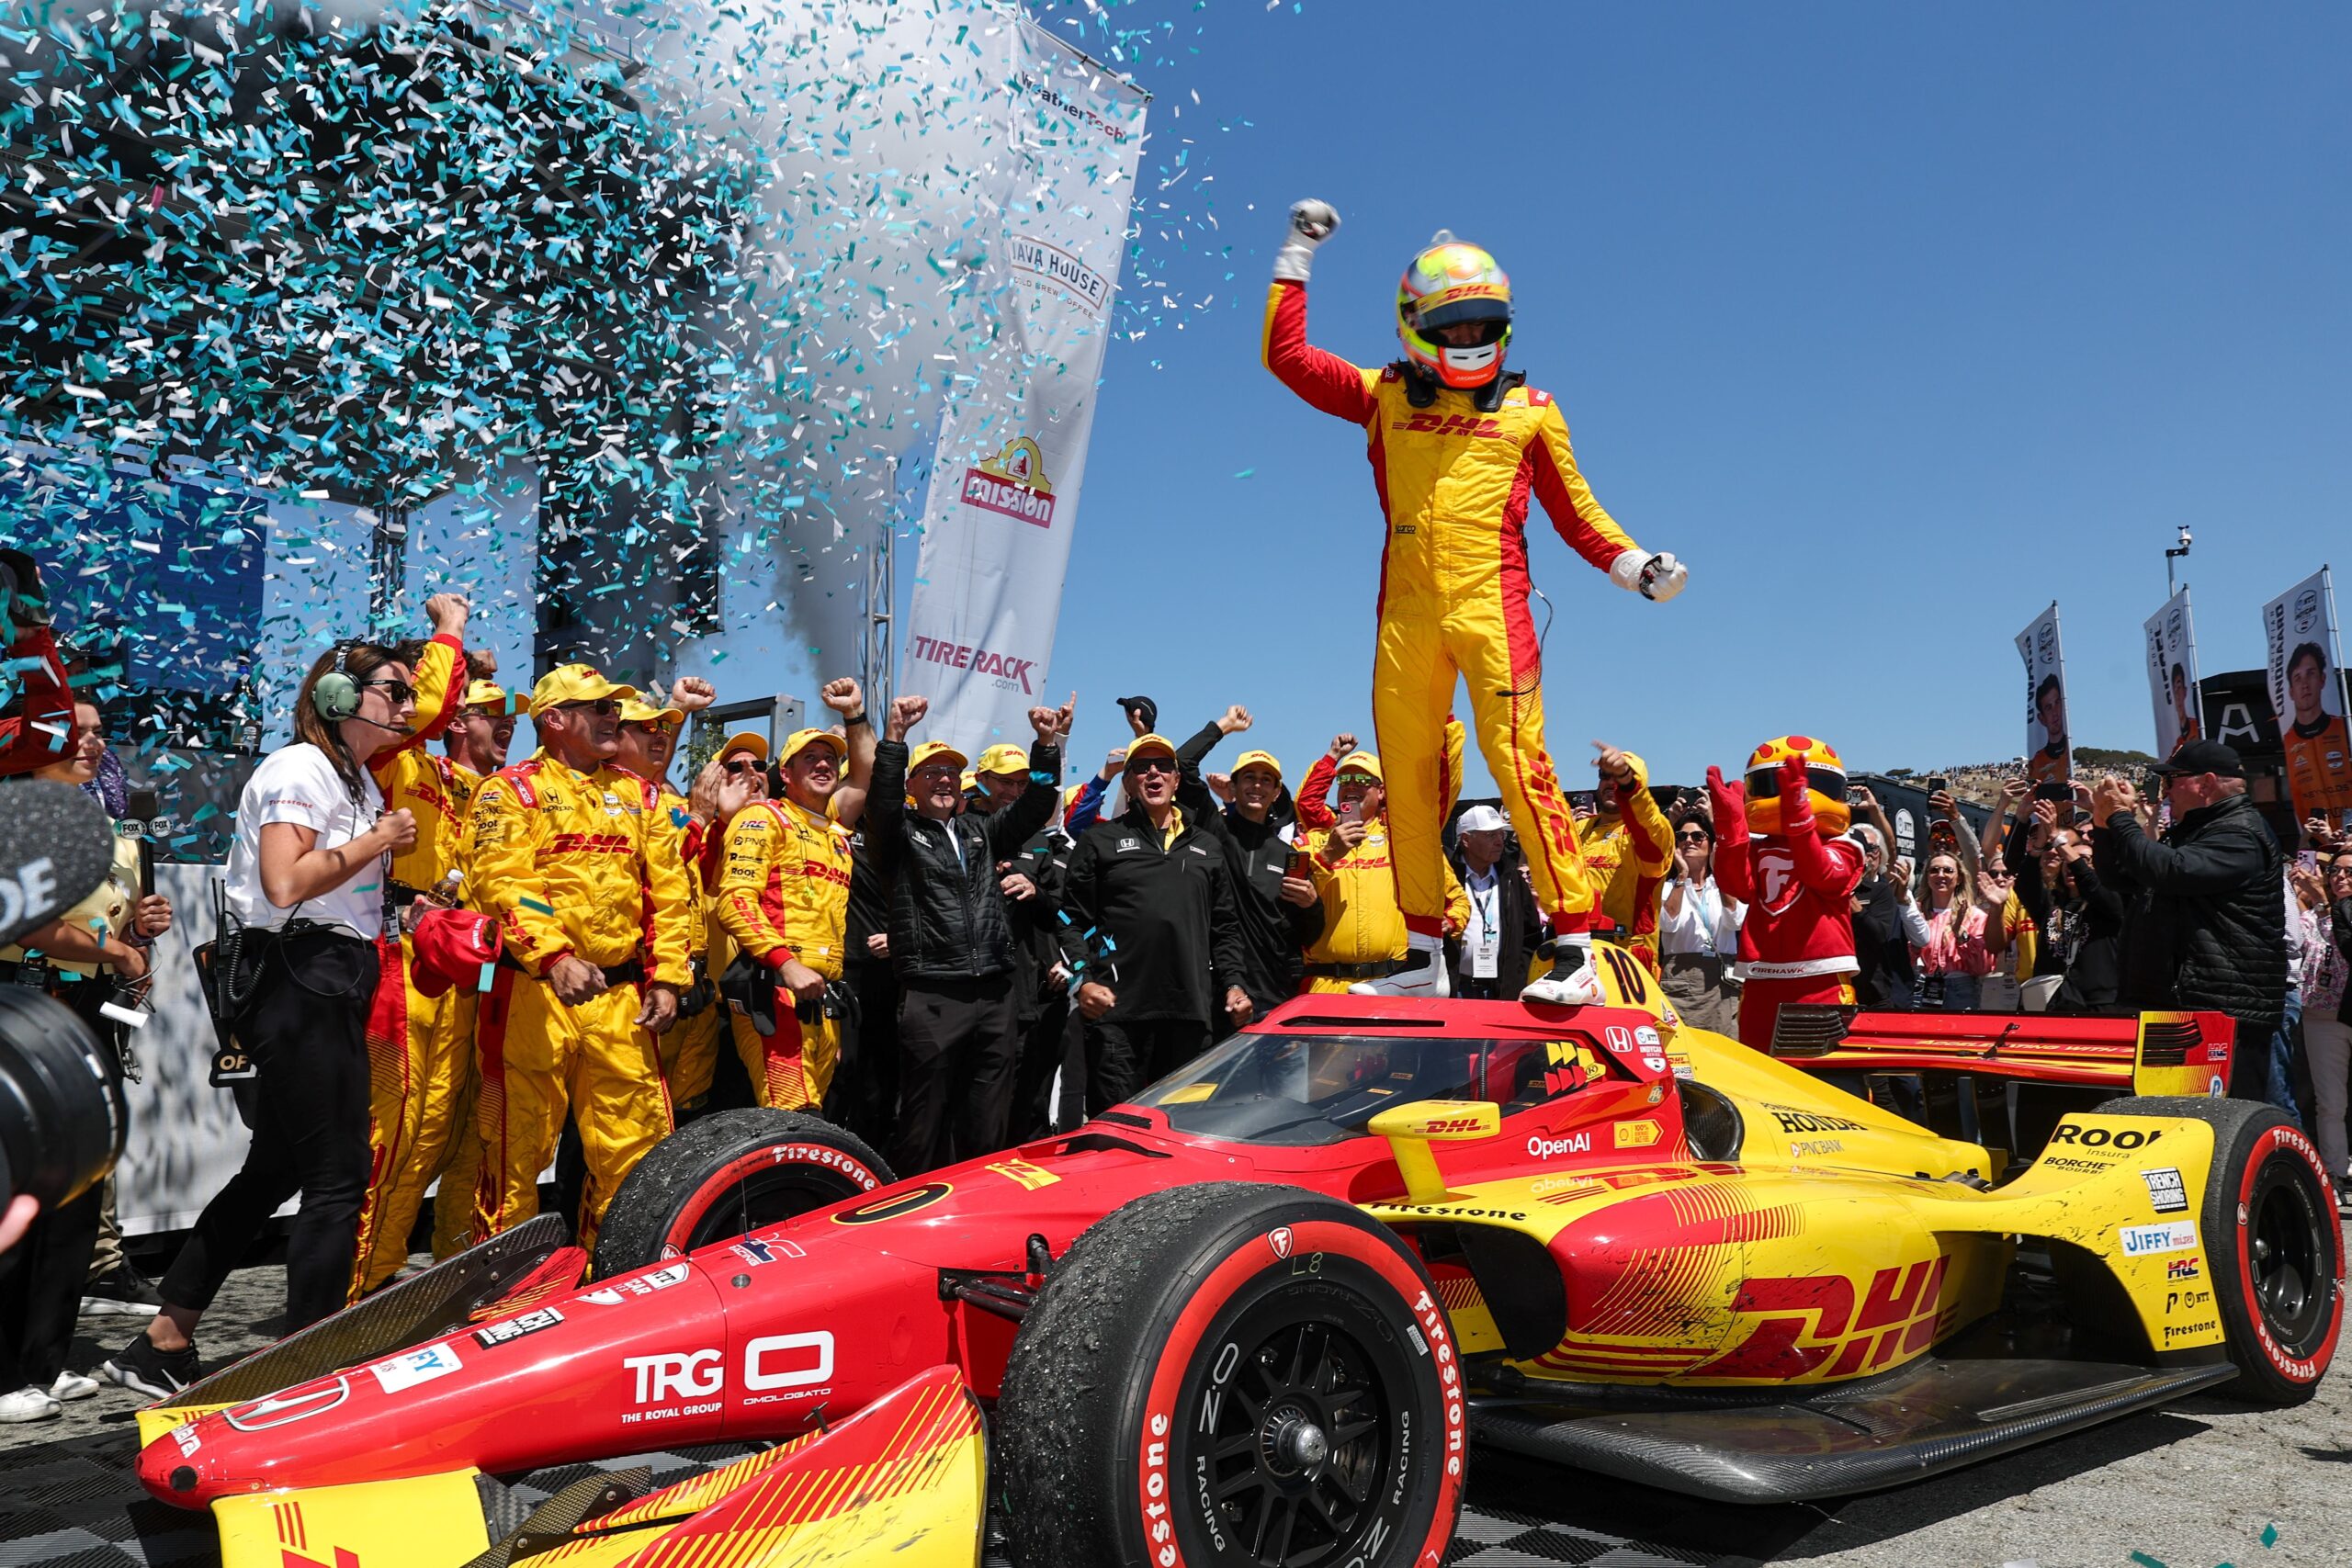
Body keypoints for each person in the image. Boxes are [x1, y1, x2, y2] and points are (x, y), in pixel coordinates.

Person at [1262, 198, 1686, 1004]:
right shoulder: (1384, 394)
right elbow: (1287, 359)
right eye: (1450, 327)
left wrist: (1636, 565)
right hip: (1406, 619)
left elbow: (1578, 512)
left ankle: (1574, 947)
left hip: (1497, 611)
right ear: (1416, 325)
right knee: (1409, 779)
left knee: (1518, 760)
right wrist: (1297, 257)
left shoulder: (1534, 411)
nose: (1466, 341)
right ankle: (1422, 955)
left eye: (1479, 325)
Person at [103, 640, 420, 1398]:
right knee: (339, 1176)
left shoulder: (350, 778)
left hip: (316, 976)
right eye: (394, 689)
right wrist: (379, 841)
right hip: (297, 980)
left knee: (274, 1169)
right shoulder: (301, 769)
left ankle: (162, 1342)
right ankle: (307, 1370)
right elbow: (284, 883)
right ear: (341, 696)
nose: (409, 705)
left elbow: (319, 889)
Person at [464, 664, 693, 1247]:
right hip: (532, 995)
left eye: (614, 708)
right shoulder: (507, 791)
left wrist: (669, 977)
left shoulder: (643, 796)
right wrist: (554, 956)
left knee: (635, 1155)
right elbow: (502, 882)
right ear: (556, 721)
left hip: (623, 1002)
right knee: (516, 1155)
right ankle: (499, 1302)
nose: (612, 717)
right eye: (597, 708)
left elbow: (671, 894)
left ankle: (610, 1279)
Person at [0, 700, 169, 1420]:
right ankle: (6, 1373)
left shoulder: (112, 830)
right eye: (76, 729)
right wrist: (117, 947)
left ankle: (46, 1358)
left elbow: (125, 929)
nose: (92, 741)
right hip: (26, 1006)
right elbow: (31, 923)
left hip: (92, 1011)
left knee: (75, 1187)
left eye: (100, 730)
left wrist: (141, 932)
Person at [865, 694, 1068, 1171]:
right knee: (923, 1119)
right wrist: (894, 740)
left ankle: (976, 1219)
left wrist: (1044, 744)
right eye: (931, 771)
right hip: (934, 992)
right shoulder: (898, 837)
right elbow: (881, 802)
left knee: (988, 1121)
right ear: (911, 784)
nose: (943, 779)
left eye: (951, 772)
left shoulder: (982, 830)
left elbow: (1038, 803)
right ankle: (912, 1210)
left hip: (996, 991)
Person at [345, 595, 469, 1299]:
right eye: (394, 691)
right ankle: (347, 1285)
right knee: (386, 1130)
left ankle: (379, 1274)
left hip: (438, 962)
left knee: (424, 1133)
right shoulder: (386, 750)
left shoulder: (429, 768)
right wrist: (448, 630)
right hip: (392, 962)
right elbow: (428, 709)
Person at [1061, 734, 1250, 1109]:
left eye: (1164, 766)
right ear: (1128, 781)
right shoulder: (1100, 840)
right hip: (1117, 1014)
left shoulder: (1208, 847)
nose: (1153, 773)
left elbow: (1225, 926)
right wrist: (1081, 981)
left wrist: (1234, 983)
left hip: (1190, 1017)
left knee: (1181, 1133)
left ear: (1176, 780)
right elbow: (1070, 919)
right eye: (1141, 767)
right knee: (1116, 1136)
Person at [712, 681, 876, 1112]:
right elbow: (734, 900)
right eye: (810, 759)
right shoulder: (763, 817)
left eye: (829, 759)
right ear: (784, 774)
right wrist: (786, 963)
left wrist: (855, 714)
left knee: (812, 1118)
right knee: (792, 1119)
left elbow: (868, 773)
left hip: (824, 1001)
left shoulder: (836, 831)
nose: (823, 765)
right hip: (775, 991)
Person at [2093, 739, 2287, 1100]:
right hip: (2177, 1009)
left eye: (2172, 779)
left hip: (2222, 1013)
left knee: (2221, 1128)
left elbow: (2171, 871)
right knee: (2169, 1119)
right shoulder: (2192, 830)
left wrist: (2122, 817)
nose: (2165, 789)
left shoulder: (2240, 832)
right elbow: (2121, 878)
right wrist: (2104, 826)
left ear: (2207, 783)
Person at [1707, 736, 1864, 1050]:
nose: (1797, 793)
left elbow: (1822, 874)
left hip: (1819, 979)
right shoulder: (1756, 847)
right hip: (1761, 977)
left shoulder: (1847, 845)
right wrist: (1730, 827)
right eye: (1774, 785)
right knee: (1762, 1073)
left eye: (1813, 784)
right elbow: (1737, 887)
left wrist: (1799, 820)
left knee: (1822, 1075)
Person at [1172, 707, 1325, 1015]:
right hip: (1214, 988)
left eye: (1266, 780)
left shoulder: (1288, 856)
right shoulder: (1214, 832)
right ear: (1232, 787)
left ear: (1276, 791)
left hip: (1274, 991)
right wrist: (1223, 726)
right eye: (1249, 778)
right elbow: (1182, 763)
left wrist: (1313, 905)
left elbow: (1308, 934)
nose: (1257, 785)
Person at [1296, 750, 1466, 995]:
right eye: (1345, 780)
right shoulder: (1312, 842)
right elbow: (1288, 901)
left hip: (1391, 984)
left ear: (1381, 792)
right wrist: (1328, 855)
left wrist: (1450, 922)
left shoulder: (1404, 843)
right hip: (1324, 984)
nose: (1352, 785)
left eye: (1363, 781)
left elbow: (1457, 900)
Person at [1577, 743, 1676, 973]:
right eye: (1605, 775)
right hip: (1576, 952)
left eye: (1621, 778)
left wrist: (1627, 782)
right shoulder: (1579, 829)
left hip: (1628, 960)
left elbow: (1646, 820)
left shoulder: (1652, 833)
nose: (1612, 783)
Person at [1448, 805, 1545, 1000]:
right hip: (1455, 988)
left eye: (1501, 835)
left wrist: (1518, 979)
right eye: (1490, 835)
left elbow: (1531, 934)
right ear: (1466, 840)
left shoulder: (1512, 878)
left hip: (1502, 991)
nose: (1500, 842)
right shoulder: (1446, 877)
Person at [1657, 813, 1742, 1032]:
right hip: (1680, 979)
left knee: (1727, 1049)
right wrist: (1683, 875)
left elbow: (1736, 920)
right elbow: (1667, 924)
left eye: (1698, 836)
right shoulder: (1667, 886)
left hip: (1723, 980)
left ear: (1711, 844)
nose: (1689, 841)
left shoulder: (1722, 885)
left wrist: (1722, 873)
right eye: (1682, 836)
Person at [2300, 853, 2351, 1202]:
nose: (2340, 877)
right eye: (2335, 870)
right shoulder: (2313, 916)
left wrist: (2324, 902)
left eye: (2350, 871)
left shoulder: (2338, 914)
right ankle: (2334, 1173)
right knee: (2331, 1102)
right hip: (2321, 1016)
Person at [1912, 850, 2005, 1010]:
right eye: (1934, 870)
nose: (1941, 875)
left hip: (1962, 989)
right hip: (1923, 987)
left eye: (1948, 870)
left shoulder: (1974, 916)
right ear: (1926, 877)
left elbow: (1983, 966)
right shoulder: (1917, 914)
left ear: (1959, 877)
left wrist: (1960, 935)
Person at [2282, 642, 2352, 816]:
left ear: (2322, 679)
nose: (2305, 684)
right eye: (2297, 678)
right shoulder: (2287, 740)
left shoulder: (2345, 729)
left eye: (2310, 674)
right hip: (2312, 839)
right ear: (2291, 691)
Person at [2028, 673, 2070, 788]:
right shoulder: (2037, 762)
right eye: (2048, 708)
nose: (2055, 712)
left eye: (2057, 703)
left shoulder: (2070, 753)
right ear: (2042, 718)